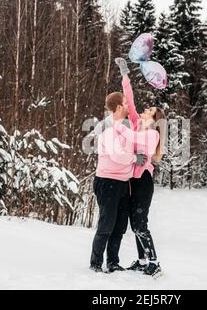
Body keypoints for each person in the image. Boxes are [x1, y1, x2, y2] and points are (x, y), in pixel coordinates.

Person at [115, 57, 166, 278]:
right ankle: (142, 259)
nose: (146, 109)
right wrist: (125, 74)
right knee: (133, 222)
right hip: (131, 180)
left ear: (154, 119)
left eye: (150, 110)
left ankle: (154, 262)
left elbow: (139, 144)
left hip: (143, 182)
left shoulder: (152, 133)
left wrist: (122, 130)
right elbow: (130, 100)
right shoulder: (136, 124)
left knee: (140, 223)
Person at [89, 85, 148, 274]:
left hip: (123, 183)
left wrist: (138, 152)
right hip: (107, 182)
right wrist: (134, 159)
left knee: (120, 226)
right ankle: (96, 263)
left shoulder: (125, 127)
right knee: (106, 224)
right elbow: (117, 155)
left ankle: (113, 262)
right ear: (118, 107)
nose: (128, 105)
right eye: (125, 103)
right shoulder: (108, 128)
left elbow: (129, 149)